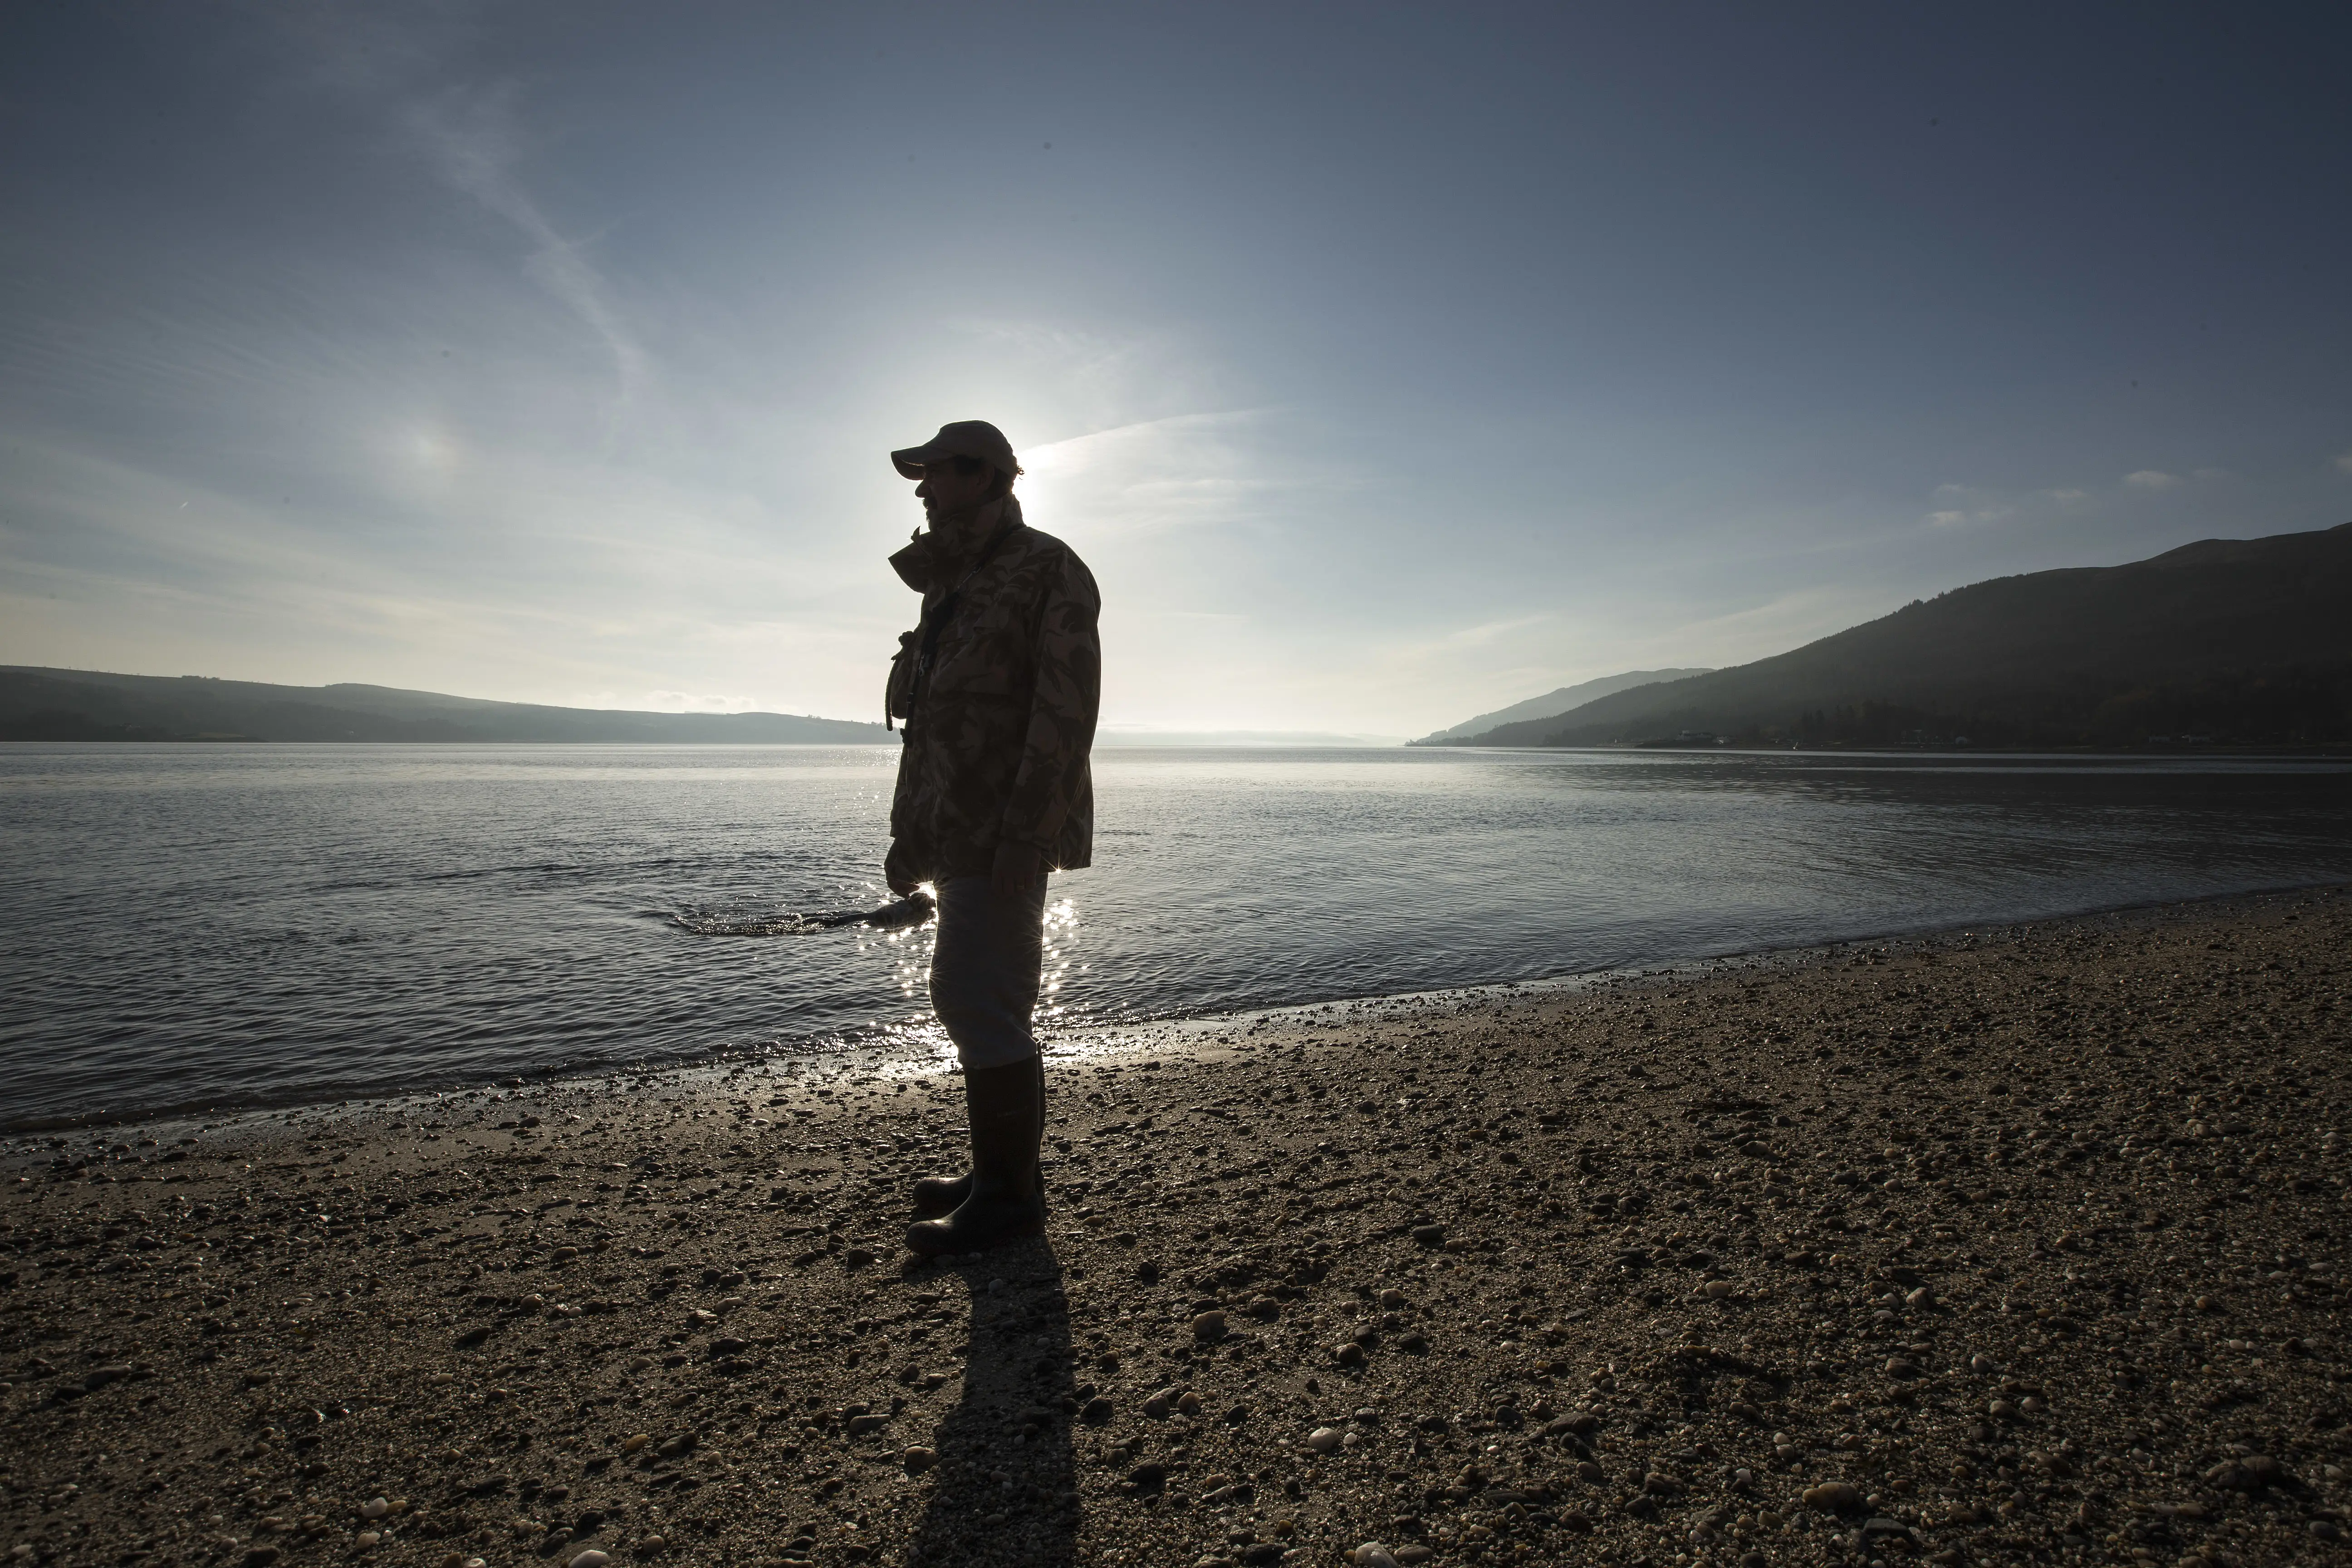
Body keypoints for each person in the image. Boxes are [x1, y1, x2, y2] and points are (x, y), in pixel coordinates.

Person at [881, 420, 1101, 1257]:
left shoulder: (1048, 568)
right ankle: (998, 1176)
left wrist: (1028, 834)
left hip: (1005, 826)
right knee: (970, 995)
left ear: (988, 477)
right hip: (953, 821)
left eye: (937, 474)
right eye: (921, 477)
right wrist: (910, 837)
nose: (924, 489)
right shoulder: (951, 583)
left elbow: (1065, 712)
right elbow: (929, 726)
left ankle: (1011, 1200)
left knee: (981, 999)